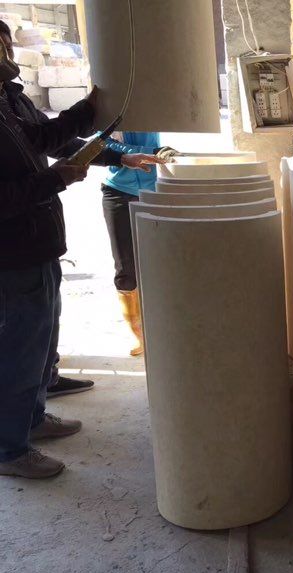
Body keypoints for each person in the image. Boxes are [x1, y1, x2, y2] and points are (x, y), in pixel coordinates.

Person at [0, 27, 159, 479]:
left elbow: (50, 140)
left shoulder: (9, 99)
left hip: (39, 241)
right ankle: (9, 450)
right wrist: (59, 172)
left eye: (5, 43)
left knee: (41, 339)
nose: (6, 53)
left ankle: (32, 418)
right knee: (19, 349)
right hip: (11, 251)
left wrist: (117, 156)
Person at [100, 132, 177, 356]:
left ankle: (161, 328)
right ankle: (138, 334)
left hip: (154, 192)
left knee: (158, 264)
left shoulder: (154, 111)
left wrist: (161, 154)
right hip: (118, 193)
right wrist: (148, 153)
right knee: (125, 268)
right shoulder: (112, 111)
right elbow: (103, 143)